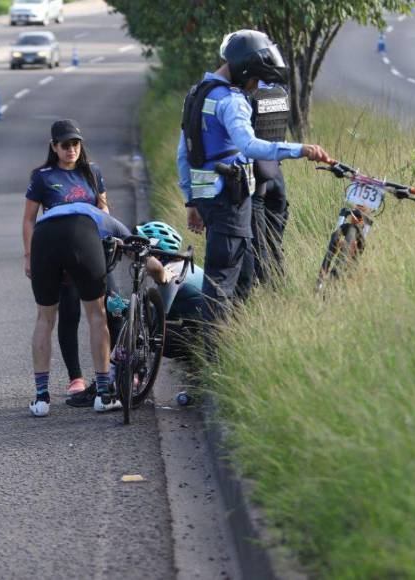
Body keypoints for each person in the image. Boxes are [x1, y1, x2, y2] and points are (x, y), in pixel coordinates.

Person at [177, 29, 332, 320]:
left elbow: (183, 155)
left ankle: (229, 341)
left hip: (208, 199)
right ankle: (213, 355)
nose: (254, 86)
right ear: (243, 69)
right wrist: (300, 149)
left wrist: (191, 201)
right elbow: (250, 145)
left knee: (243, 274)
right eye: (254, 79)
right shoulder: (231, 100)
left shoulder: (197, 93)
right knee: (223, 284)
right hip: (229, 201)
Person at [66, 221, 205, 408]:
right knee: (139, 326)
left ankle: (109, 384)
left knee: (141, 331)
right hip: (200, 335)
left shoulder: (173, 273)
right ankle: (114, 381)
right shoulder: (178, 267)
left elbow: (156, 318)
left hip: (201, 340)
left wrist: (124, 309)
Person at [22, 119, 111, 397]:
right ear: (54, 147)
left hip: (90, 246)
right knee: (68, 312)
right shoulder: (42, 176)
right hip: (56, 249)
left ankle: (114, 373)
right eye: (65, 145)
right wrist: (29, 255)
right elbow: (28, 219)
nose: (71, 149)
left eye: (75, 144)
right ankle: (76, 377)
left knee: (111, 307)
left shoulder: (92, 172)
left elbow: (104, 208)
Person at [26, 200, 132, 417]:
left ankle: (41, 400)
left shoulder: (53, 213)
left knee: (44, 319)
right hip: (79, 232)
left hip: (42, 235)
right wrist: (161, 273)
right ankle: (103, 396)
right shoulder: (107, 220)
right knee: (96, 314)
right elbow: (138, 251)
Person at [220, 31, 292, 283]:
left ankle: (265, 302)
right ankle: (278, 295)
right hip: (275, 175)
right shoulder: (278, 90)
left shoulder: (240, 96)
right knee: (275, 248)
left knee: (259, 256)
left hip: (255, 181)